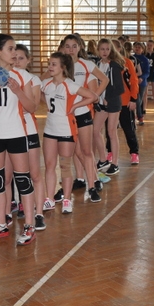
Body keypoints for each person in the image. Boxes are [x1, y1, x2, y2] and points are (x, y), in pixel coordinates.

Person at [0, 34, 39, 245]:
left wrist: (18, 90)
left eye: (15, 49)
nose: (14, 53)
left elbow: (32, 107)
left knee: (23, 179)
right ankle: (0, 224)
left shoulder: (21, 75)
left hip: (16, 133)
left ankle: (29, 225)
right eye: (10, 49)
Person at [42, 52, 98, 214]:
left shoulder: (70, 85)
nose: (50, 67)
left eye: (53, 64)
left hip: (66, 130)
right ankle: (49, 199)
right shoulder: (45, 84)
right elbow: (38, 93)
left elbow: (93, 96)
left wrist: (74, 106)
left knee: (65, 166)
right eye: (49, 63)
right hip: (49, 130)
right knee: (49, 165)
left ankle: (67, 199)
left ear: (63, 67)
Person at [60, 34, 108, 203]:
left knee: (86, 151)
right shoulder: (60, 65)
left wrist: (95, 96)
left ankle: (92, 185)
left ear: (80, 47)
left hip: (82, 113)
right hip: (66, 116)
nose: (71, 49)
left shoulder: (86, 64)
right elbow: (44, 82)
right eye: (67, 46)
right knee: (74, 150)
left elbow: (105, 79)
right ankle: (81, 179)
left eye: (74, 46)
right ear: (63, 48)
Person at [10, 44, 47, 231]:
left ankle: (38, 213)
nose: (17, 62)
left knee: (35, 174)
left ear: (28, 60)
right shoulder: (5, 78)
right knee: (14, 173)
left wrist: (18, 93)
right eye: (14, 58)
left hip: (28, 130)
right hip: (10, 131)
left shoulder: (33, 79)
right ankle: (15, 208)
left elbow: (32, 105)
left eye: (21, 58)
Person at [94, 38, 125, 175]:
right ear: (98, 50)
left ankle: (115, 163)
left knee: (111, 132)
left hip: (113, 102)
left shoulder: (114, 65)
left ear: (111, 50)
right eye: (102, 49)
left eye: (107, 49)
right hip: (101, 102)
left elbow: (119, 88)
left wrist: (108, 98)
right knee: (95, 131)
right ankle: (103, 159)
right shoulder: (97, 64)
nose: (105, 52)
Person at [133, 41, 150, 125]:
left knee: (139, 100)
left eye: (139, 47)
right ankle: (139, 116)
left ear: (142, 49)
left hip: (142, 83)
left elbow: (147, 72)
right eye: (136, 47)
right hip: (133, 82)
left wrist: (142, 78)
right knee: (136, 99)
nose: (137, 49)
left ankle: (138, 116)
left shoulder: (145, 59)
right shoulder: (132, 58)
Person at [145, 39, 154, 105]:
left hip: (153, 74)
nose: (149, 47)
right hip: (146, 74)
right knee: (145, 93)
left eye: (150, 45)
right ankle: (144, 108)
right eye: (148, 45)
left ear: (153, 46)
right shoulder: (144, 54)